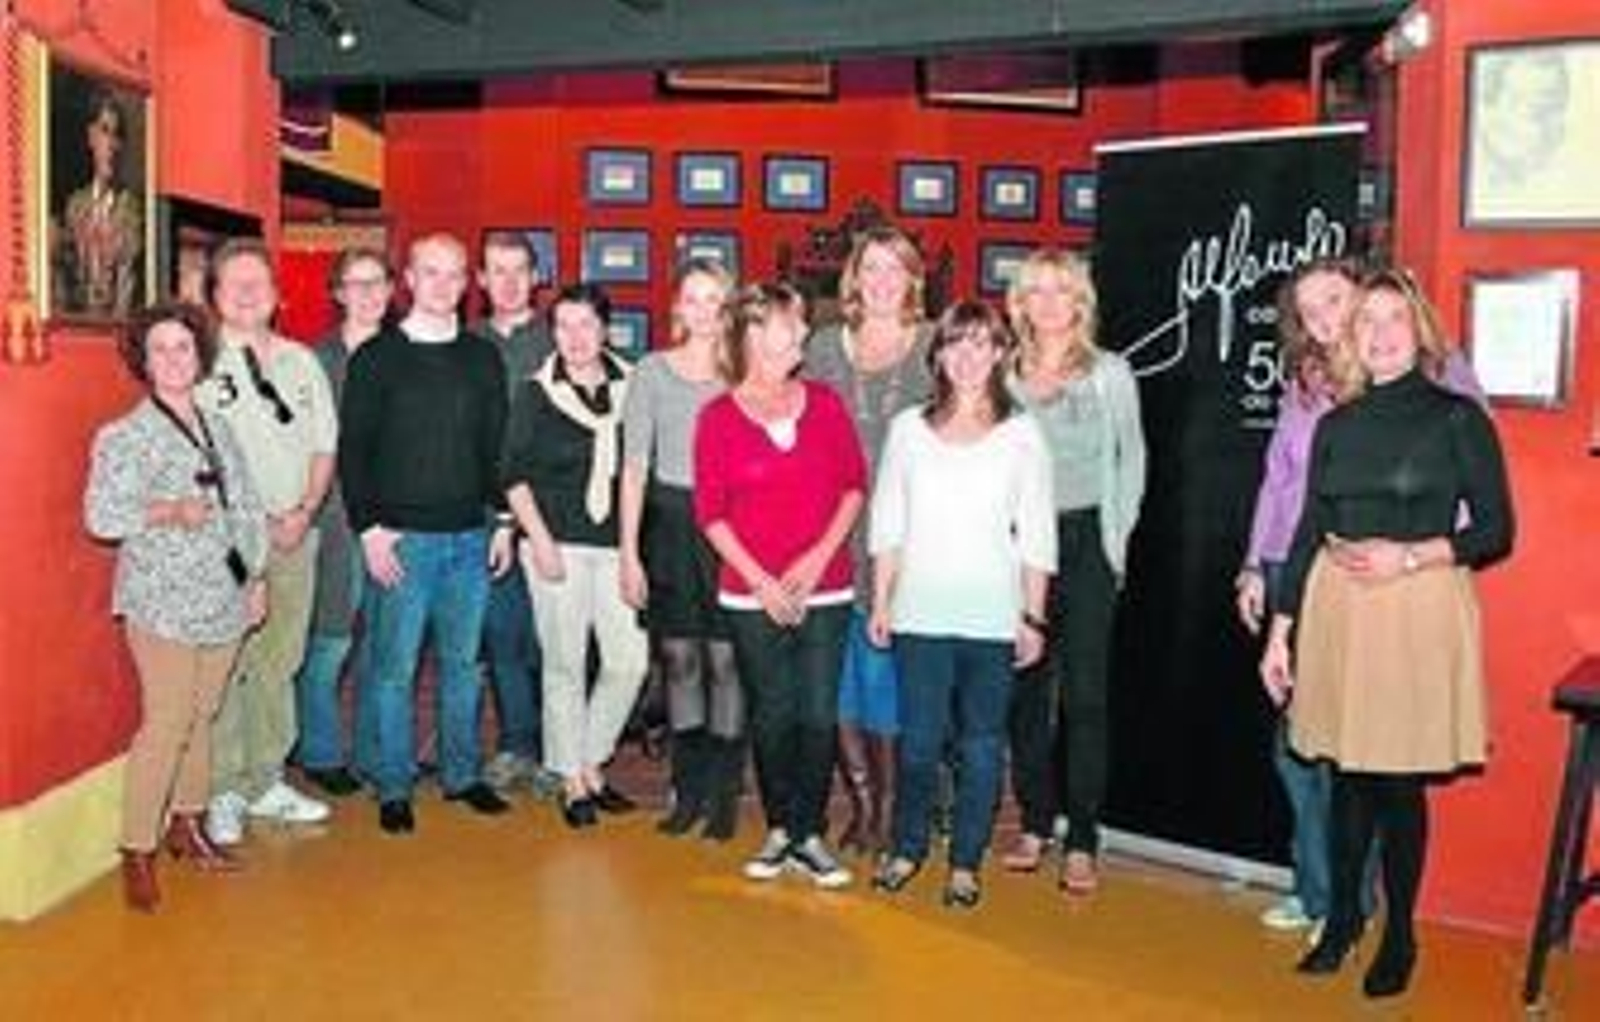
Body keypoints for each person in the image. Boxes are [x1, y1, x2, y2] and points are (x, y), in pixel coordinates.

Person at [1261, 267, 1514, 999]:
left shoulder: (1456, 417)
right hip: (1339, 606)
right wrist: (1283, 633)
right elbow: (1310, 527)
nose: (1377, 334)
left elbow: (1498, 529)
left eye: (1392, 320)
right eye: (1365, 322)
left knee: (1398, 783)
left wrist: (1411, 555)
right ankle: (1342, 919)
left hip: (1416, 606)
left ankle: (1399, 933)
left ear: (1419, 329)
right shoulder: (1337, 423)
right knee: (1345, 776)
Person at [869, 300, 1055, 910]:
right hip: (919, 613)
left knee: (980, 748)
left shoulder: (1022, 433)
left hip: (992, 618)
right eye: (957, 343)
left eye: (982, 343)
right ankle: (907, 847)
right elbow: (888, 523)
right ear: (939, 354)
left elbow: (1036, 534)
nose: (969, 356)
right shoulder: (906, 430)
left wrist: (1032, 616)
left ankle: (966, 860)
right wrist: (881, 601)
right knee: (918, 745)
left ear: (1001, 352)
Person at [84, 302, 267, 911]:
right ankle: (137, 849)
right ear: (142, 359)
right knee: (167, 722)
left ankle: (189, 826)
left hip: (223, 598)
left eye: (183, 347)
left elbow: (242, 509)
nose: (172, 359)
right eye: (159, 349)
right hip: (160, 604)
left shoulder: (220, 426)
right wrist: (168, 511)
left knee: (202, 716)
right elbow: (102, 518)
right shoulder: (125, 435)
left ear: (200, 355)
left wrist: (255, 578)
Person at [338, 232, 514, 835]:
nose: (443, 285)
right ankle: (394, 783)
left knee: (465, 665)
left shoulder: (482, 358)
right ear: (408, 279)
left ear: (468, 284)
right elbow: (353, 452)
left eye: (455, 274)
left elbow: (497, 447)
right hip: (401, 540)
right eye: (431, 273)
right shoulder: (375, 359)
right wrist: (369, 530)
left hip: (470, 536)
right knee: (393, 668)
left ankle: (462, 775)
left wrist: (505, 523)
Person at [695, 281, 866, 889]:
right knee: (772, 714)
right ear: (753, 333)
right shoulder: (717, 417)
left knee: (818, 715)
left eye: (799, 324)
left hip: (827, 587)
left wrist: (818, 560)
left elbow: (852, 486)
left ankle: (809, 833)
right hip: (751, 592)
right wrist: (762, 580)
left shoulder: (824, 403)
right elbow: (711, 513)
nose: (801, 333)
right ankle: (779, 828)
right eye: (789, 323)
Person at [1001, 248, 1145, 894]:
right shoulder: (1000, 374)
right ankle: (1035, 822)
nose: (1051, 303)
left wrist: (1116, 543)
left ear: (1080, 301)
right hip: (1016, 550)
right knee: (1025, 693)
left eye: (1063, 291)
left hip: (1087, 540)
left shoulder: (1109, 373)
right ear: (1021, 303)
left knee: (1085, 698)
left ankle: (1083, 838)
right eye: (1038, 291)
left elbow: (1133, 458)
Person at [195, 239, 337, 845]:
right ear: (216, 296)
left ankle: (264, 779)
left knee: (280, 661)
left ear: (278, 295)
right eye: (235, 284)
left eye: (259, 282)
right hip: (229, 542)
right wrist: (241, 543)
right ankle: (224, 787)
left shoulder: (302, 364)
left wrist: (304, 512)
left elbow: (323, 447)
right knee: (228, 664)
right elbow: (197, 463)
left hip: (293, 532)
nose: (249, 293)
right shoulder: (197, 365)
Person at [805, 225, 933, 856]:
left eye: (895, 268)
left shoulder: (935, 346)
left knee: (886, 678)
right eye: (871, 268)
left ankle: (888, 803)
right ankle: (858, 799)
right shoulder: (825, 346)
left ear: (913, 278)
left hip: (910, 539)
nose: (882, 281)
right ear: (853, 278)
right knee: (836, 680)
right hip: (827, 534)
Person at [502, 283, 647, 828]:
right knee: (563, 664)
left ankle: (588, 757)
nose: (576, 338)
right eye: (563, 327)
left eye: (586, 325)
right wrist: (536, 538)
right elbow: (512, 473)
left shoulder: (635, 385)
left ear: (605, 329)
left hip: (619, 546)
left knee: (628, 662)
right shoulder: (535, 392)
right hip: (555, 543)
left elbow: (641, 468)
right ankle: (573, 779)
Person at [619, 259, 744, 841]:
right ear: (676, 307)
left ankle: (722, 796)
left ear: (729, 311)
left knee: (725, 661)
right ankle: (687, 790)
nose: (702, 311)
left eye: (714, 300)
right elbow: (634, 466)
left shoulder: (744, 374)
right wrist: (627, 551)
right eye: (692, 298)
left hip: (730, 528)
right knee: (680, 660)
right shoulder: (651, 371)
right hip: (667, 525)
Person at [294, 247, 393, 797]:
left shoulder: (407, 351)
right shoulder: (312, 360)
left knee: (386, 644)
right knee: (330, 638)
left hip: (396, 518)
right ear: (337, 293)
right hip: (334, 518)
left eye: (377, 282)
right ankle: (321, 750)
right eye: (356, 284)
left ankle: (378, 753)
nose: (368, 294)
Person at [477, 231, 555, 798]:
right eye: (496, 271)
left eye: (518, 270)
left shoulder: (561, 341)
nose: (507, 282)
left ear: (536, 277)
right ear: (479, 280)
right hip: (484, 516)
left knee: (553, 638)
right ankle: (516, 745)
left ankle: (559, 749)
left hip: (552, 517)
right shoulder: (463, 343)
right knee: (502, 635)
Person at [54, 90, 142, 318]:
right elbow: (66, 277)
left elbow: (127, 284)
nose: (113, 144)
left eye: (118, 135)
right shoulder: (75, 205)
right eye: (105, 131)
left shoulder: (132, 207)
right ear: (91, 136)